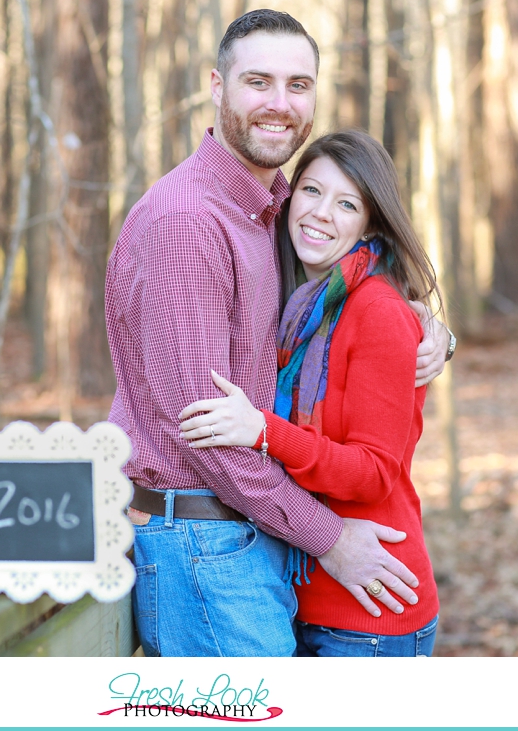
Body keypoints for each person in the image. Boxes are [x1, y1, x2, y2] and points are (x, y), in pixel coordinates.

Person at [105, 9, 452, 658]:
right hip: (203, 543)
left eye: (298, 85)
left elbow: (349, 295)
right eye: (258, 81)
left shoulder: (274, 210)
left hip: (251, 537)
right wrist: (330, 537)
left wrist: (428, 330)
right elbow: (204, 434)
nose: (279, 103)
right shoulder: (189, 223)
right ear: (217, 85)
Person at [179, 130, 441, 657]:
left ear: (371, 222)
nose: (322, 213)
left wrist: (262, 431)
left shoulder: (378, 311)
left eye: (347, 204)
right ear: (289, 196)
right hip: (301, 597)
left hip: (370, 613)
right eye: (312, 191)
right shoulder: (301, 308)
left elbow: (372, 473)